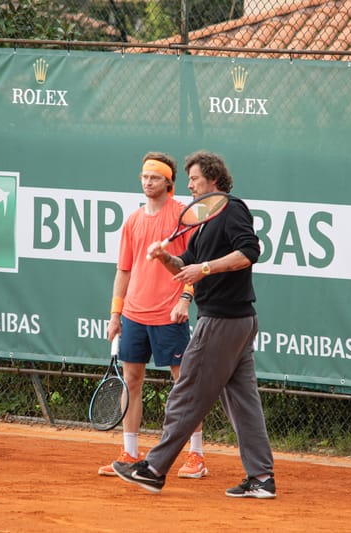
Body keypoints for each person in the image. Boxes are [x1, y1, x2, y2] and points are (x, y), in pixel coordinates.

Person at [112, 150, 276, 498]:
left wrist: (205, 269)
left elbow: (249, 252)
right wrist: (165, 258)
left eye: (195, 179)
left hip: (223, 320)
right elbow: (185, 263)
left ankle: (154, 469)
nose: (188, 185)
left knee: (185, 394)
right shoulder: (203, 219)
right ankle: (262, 478)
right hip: (237, 321)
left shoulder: (232, 208)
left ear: (213, 179)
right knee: (244, 402)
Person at [98, 151, 209, 479]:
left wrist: (185, 300)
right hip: (133, 315)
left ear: (168, 182)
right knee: (131, 379)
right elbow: (124, 271)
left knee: (183, 383)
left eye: (155, 178)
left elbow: (195, 266)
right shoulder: (132, 220)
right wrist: (115, 315)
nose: (148, 182)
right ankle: (130, 453)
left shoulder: (183, 217)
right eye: (144, 177)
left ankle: (196, 455)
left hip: (170, 315)